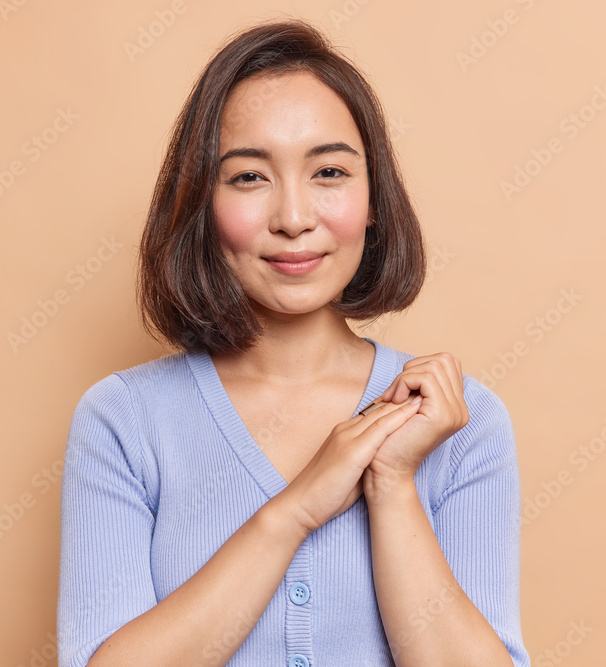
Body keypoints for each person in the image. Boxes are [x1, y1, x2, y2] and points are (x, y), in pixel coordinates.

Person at [57, 17, 530, 667]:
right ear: (201, 203)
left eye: (329, 172)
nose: (294, 218)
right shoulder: (122, 421)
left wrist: (391, 482)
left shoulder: (460, 423)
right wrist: (297, 509)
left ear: (373, 199)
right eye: (249, 177)